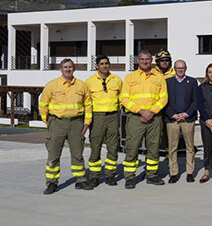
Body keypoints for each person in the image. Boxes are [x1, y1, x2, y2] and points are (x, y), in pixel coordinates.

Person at [40, 59, 92, 194]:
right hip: (57, 123)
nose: (68, 69)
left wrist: (87, 122)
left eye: (70, 67)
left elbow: (88, 105)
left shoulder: (82, 86)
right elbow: (43, 104)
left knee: (77, 154)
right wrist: (48, 123)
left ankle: (80, 180)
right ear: (61, 69)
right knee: (53, 155)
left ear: (74, 69)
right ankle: (52, 183)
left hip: (76, 123)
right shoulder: (52, 85)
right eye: (65, 67)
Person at [120, 50, 168, 188]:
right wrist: (141, 111)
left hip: (154, 118)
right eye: (142, 59)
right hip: (136, 117)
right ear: (138, 60)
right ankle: (129, 177)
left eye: (147, 59)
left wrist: (151, 112)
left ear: (151, 60)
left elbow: (164, 98)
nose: (145, 61)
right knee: (132, 147)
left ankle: (151, 175)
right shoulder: (130, 77)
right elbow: (124, 98)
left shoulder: (159, 77)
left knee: (154, 147)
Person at [85, 55, 122, 187]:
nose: (105, 66)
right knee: (96, 147)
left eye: (106, 63)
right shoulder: (89, 82)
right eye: (102, 63)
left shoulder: (117, 80)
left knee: (113, 147)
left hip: (113, 116)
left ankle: (110, 175)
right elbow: (87, 102)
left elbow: (121, 98)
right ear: (96, 65)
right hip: (97, 117)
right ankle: (94, 177)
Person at [165, 59, 198, 183]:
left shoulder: (193, 82)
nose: (180, 70)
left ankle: (190, 172)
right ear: (174, 69)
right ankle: (174, 173)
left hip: (188, 119)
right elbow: (164, 101)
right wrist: (172, 114)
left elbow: (196, 100)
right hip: (172, 119)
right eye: (178, 68)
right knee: (172, 147)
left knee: (190, 147)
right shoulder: (167, 82)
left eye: (182, 68)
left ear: (186, 68)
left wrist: (186, 113)